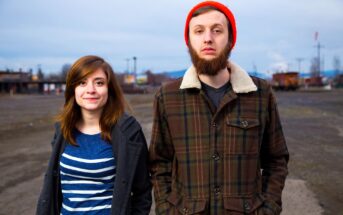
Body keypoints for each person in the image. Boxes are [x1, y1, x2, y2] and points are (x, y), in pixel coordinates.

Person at [149, 1, 289, 214]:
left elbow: (276, 160)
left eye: (217, 30)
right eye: (198, 31)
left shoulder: (260, 94)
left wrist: (269, 207)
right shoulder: (167, 97)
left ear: (231, 39)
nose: (208, 38)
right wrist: (166, 209)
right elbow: (160, 164)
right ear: (188, 41)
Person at [36, 55, 152, 215]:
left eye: (99, 83)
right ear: (73, 89)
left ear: (109, 89)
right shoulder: (63, 131)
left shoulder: (128, 132)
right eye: (82, 83)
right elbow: (52, 188)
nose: (90, 90)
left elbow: (142, 193)